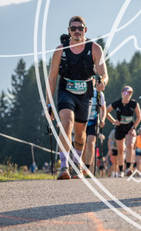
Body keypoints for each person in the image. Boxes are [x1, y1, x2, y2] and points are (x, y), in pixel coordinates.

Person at [46, 16, 108, 180]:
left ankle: (76, 163)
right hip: (65, 91)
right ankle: (64, 166)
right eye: (73, 28)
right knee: (67, 123)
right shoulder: (60, 50)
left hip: (85, 93)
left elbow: (104, 74)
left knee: (80, 133)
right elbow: (52, 78)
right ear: (69, 31)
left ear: (85, 30)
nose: (77, 31)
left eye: (80, 28)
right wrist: (48, 104)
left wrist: (102, 82)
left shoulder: (95, 49)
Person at [105, 86, 141, 177]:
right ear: (122, 93)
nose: (128, 94)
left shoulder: (134, 104)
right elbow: (105, 111)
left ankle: (128, 169)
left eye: (130, 93)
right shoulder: (117, 103)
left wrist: (133, 128)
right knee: (120, 150)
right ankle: (120, 170)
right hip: (120, 128)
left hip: (130, 128)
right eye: (126, 92)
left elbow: (139, 117)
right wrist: (113, 121)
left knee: (130, 145)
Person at [81, 84, 106, 176]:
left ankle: (87, 167)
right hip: (83, 120)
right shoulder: (82, 90)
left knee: (91, 142)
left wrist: (102, 119)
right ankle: (81, 166)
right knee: (83, 145)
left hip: (93, 121)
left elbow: (103, 108)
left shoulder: (99, 93)